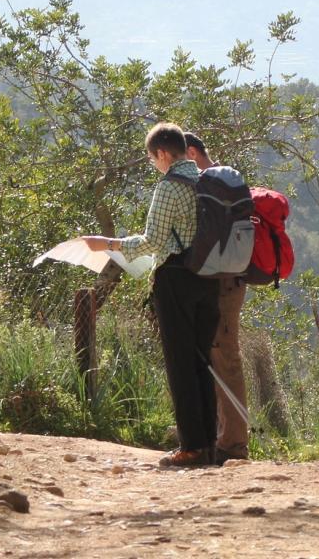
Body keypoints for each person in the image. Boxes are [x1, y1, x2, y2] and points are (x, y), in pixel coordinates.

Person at [81, 123, 221, 467]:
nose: (154, 164)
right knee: (203, 361)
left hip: (176, 278)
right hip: (211, 278)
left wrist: (108, 244)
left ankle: (191, 446)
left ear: (161, 153)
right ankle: (209, 445)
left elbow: (154, 242)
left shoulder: (169, 186)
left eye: (152, 158)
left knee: (180, 363)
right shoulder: (207, 181)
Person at [183, 131, 250, 464]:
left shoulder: (211, 185)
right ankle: (217, 437)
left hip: (222, 286)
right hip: (230, 282)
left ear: (192, 152)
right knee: (214, 359)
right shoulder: (226, 184)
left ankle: (234, 444)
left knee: (225, 359)